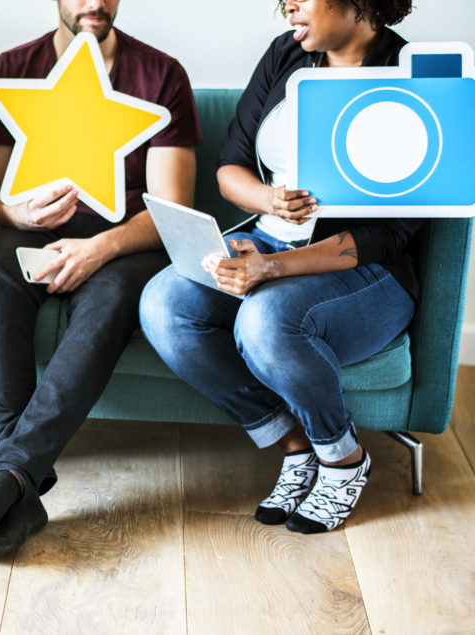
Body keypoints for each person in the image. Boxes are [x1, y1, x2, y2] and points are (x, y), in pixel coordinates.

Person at [140, 0, 420, 533]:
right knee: (164, 302)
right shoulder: (285, 55)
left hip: (366, 270)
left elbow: (390, 234)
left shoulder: (409, 77)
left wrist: (273, 268)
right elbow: (231, 166)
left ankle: (342, 459)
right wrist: (269, 201)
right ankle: (294, 446)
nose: (286, 5)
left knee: (265, 321)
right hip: (267, 237)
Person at [0, 0, 201, 558]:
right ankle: (17, 487)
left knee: (115, 295)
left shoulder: (161, 75)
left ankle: (9, 478)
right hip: (28, 232)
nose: (94, 2)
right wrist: (19, 217)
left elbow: (171, 209)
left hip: (125, 243)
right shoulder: (10, 71)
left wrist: (98, 248)